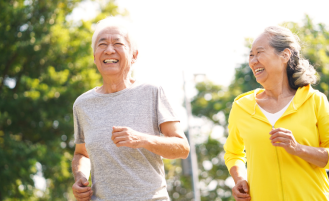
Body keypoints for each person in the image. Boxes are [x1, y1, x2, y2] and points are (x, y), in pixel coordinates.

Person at [71, 17, 190, 201]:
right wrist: (81, 177)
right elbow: (81, 153)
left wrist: (142, 139)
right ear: (95, 57)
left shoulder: (152, 92)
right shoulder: (82, 104)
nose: (109, 50)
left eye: (118, 43)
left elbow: (182, 148)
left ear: (134, 55)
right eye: (102, 44)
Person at [224, 25, 329, 201]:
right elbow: (233, 153)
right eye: (251, 55)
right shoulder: (242, 107)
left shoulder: (314, 100)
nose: (253, 60)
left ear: (285, 55)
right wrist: (239, 179)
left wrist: (297, 148)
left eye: (259, 52)